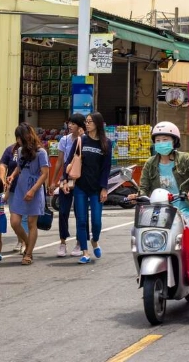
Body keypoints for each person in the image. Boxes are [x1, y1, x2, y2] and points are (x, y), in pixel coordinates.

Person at [129, 121, 189, 228]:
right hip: (158, 211)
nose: (161, 143)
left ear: (174, 141)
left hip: (184, 210)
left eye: (165, 140)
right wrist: (138, 196)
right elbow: (144, 188)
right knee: (139, 232)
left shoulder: (185, 158)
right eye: (158, 140)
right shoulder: (150, 163)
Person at [63, 112, 111, 265]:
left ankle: (95, 241)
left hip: (96, 188)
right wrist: (65, 180)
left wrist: (104, 188)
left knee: (96, 222)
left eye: (90, 121)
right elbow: (68, 161)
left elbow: (106, 168)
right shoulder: (80, 141)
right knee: (81, 220)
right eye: (86, 121)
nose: (87, 124)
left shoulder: (106, 143)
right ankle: (85, 252)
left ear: (97, 123)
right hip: (80, 187)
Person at [5, 123, 49, 266]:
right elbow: (19, 167)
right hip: (20, 188)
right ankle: (27, 242)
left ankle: (28, 253)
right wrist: (12, 176)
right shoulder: (21, 150)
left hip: (34, 189)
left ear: (27, 136)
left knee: (31, 223)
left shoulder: (41, 152)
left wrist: (33, 190)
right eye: (17, 138)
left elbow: (44, 174)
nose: (18, 141)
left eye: (20, 137)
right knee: (14, 222)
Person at [52, 119, 81, 258]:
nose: (69, 126)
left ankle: (79, 243)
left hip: (81, 179)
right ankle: (62, 242)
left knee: (79, 212)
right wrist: (54, 181)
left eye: (73, 124)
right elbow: (59, 161)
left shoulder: (85, 140)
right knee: (63, 211)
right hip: (66, 177)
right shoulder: (64, 140)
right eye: (69, 123)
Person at [0, 135, 31, 253]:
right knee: (15, 217)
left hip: (28, 187)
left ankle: (24, 243)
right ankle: (21, 239)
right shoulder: (10, 150)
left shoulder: (33, 150)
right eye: (18, 136)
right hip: (13, 188)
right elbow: (3, 164)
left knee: (25, 217)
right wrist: (2, 180)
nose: (19, 139)